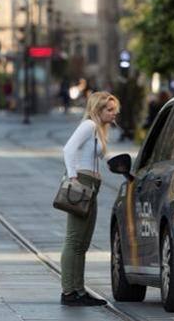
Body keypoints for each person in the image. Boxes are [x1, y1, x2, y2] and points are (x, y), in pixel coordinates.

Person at [60, 91, 120, 306]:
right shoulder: (89, 126)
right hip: (82, 184)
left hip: (91, 186)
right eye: (109, 110)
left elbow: (105, 156)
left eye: (115, 110)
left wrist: (127, 168)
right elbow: (68, 149)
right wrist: (73, 177)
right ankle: (69, 291)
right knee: (75, 239)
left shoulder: (99, 130)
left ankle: (78, 289)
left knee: (83, 242)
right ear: (98, 109)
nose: (114, 114)